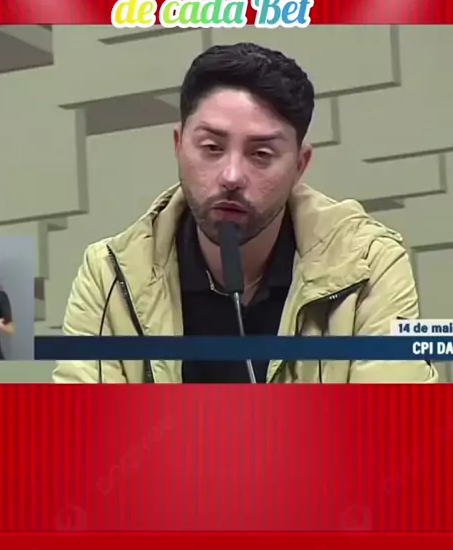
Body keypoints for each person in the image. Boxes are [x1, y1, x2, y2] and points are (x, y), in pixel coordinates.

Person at [53, 42, 438, 384]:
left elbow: (392, 427)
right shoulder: (109, 274)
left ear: (300, 166)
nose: (232, 176)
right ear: (179, 145)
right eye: (211, 147)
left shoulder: (369, 263)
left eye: (261, 154)